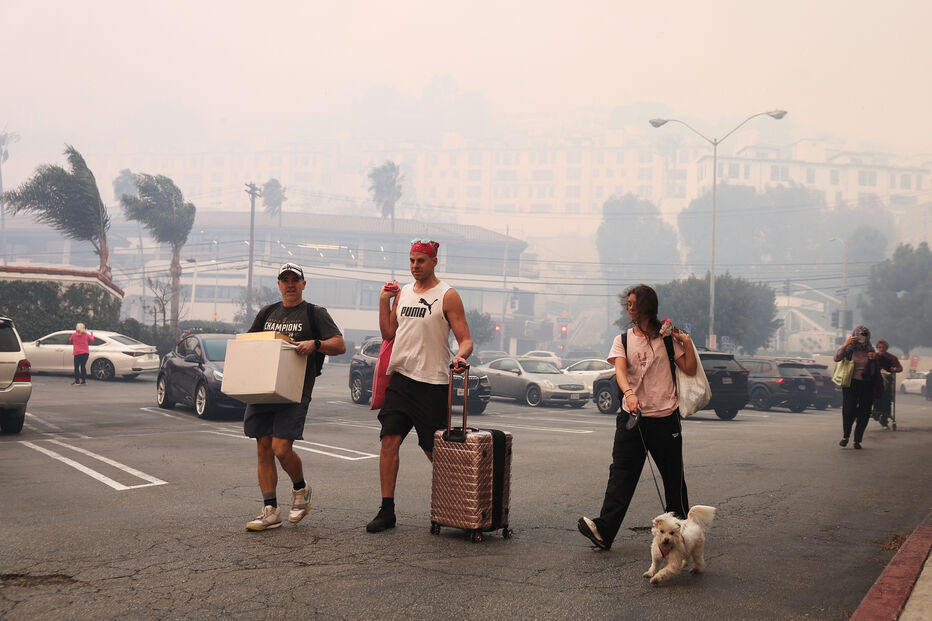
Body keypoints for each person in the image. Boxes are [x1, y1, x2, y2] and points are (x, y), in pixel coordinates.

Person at [577, 284, 698, 551]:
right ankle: (604, 531)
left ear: (645, 307)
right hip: (633, 419)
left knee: (674, 480)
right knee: (620, 476)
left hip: (666, 419)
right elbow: (620, 372)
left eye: (633, 304)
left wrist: (686, 342)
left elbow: (689, 368)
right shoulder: (622, 340)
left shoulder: (666, 339)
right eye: (628, 303)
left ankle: (683, 536)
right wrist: (629, 394)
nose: (628, 308)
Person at [366, 239, 473, 533]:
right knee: (389, 441)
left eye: (421, 261)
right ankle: (387, 511)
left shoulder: (447, 296)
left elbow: (465, 339)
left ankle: (464, 505)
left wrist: (461, 356)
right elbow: (389, 332)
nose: (415, 266)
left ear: (434, 262)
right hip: (401, 379)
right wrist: (383, 301)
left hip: (433, 383)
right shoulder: (402, 294)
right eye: (412, 261)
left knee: (433, 450)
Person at [243, 262, 346, 531]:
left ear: (303, 284)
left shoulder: (314, 313)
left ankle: (301, 490)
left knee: (281, 448)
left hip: (295, 389)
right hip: (263, 388)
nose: (289, 284)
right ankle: (270, 510)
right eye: (284, 280)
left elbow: (340, 344)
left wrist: (316, 344)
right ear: (278, 284)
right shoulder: (267, 312)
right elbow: (250, 343)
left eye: (294, 280)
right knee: (263, 448)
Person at [833, 326, 892, 450]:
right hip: (851, 383)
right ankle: (845, 436)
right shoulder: (849, 349)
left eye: (865, 335)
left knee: (864, 413)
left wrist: (875, 359)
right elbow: (836, 358)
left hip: (867, 384)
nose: (862, 338)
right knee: (849, 410)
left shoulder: (870, 350)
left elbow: (882, 365)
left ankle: (857, 439)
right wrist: (845, 344)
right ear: (855, 335)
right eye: (860, 335)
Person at [871, 339, 902, 430]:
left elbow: (900, 368)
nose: (881, 349)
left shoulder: (892, 358)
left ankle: (884, 419)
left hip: (887, 382)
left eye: (883, 347)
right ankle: (876, 412)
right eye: (879, 347)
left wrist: (895, 369)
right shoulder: (873, 356)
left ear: (886, 348)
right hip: (875, 382)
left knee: (886, 400)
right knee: (875, 397)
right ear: (877, 348)